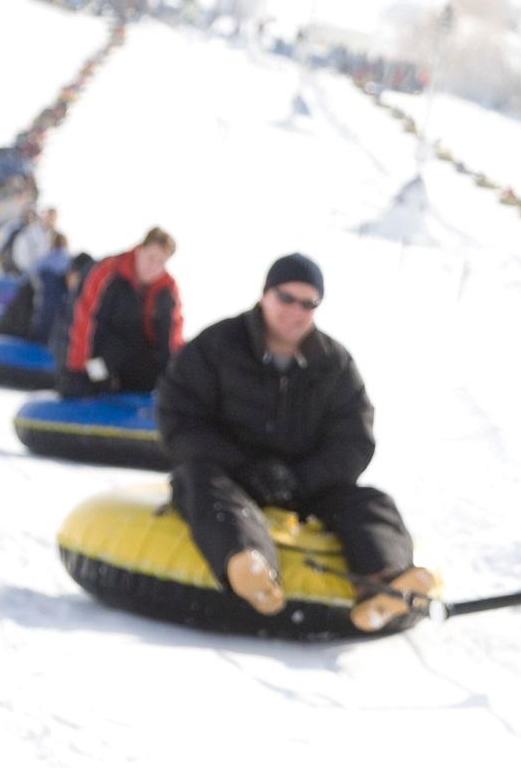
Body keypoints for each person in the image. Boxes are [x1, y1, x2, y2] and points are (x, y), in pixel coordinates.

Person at [156, 253, 433, 633]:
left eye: (308, 303)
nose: (295, 312)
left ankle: (384, 583)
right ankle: (251, 568)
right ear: (266, 294)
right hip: (230, 476)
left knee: (371, 502)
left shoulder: (334, 363)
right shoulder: (218, 345)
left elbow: (354, 439)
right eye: (286, 298)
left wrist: (302, 478)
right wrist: (243, 466)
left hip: (304, 486)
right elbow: (179, 417)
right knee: (198, 481)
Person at [59, 226, 181, 398]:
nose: (153, 266)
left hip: (134, 356)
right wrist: (77, 368)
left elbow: (173, 336)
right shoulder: (109, 271)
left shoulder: (166, 289)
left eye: (160, 262)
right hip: (98, 353)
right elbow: (83, 315)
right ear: (139, 250)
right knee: (97, 377)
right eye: (150, 258)